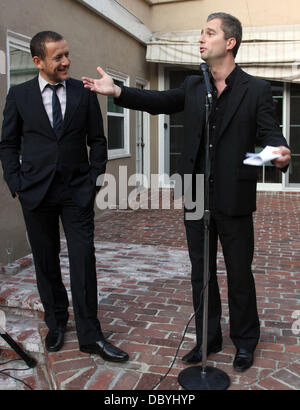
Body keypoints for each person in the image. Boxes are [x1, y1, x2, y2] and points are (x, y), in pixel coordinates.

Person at [82, 12, 291, 371]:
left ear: (230, 43)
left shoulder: (255, 89)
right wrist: (118, 92)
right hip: (196, 194)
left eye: (209, 33)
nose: (201, 38)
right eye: (201, 32)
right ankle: (207, 338)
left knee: (239, 272)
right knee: (201, 271)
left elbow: (271, 137)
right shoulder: (196, 86)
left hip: (235, 197)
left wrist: (279, 154)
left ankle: (245, 341)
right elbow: (160, 101)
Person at [0, 31, 129, 363]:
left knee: (83, 259)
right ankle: (55, 323)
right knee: (46, 262)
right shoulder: (19, 95)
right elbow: (8, 144)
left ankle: (90, 335)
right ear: (37, 61)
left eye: (67, 54)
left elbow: (97, 141)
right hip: (36, 193)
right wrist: (15, 182)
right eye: (58, 57)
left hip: (76, 192)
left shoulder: (83, 93)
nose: (66, 62)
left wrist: (94, 179)